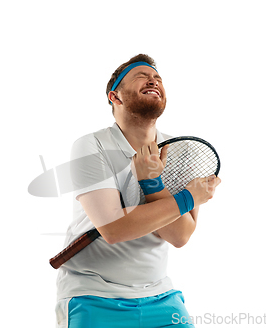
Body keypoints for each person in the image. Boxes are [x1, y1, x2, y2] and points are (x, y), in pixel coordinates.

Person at [55, 54, 221, 327]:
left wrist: (152, 184)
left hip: (161, 296)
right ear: (115, 97)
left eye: (157, 78)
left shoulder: (182, 150)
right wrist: (190, 197)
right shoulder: (90, 146)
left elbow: (180, 235)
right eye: (141, 76)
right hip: (94, 295)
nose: (153, 80)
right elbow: (114, 229)